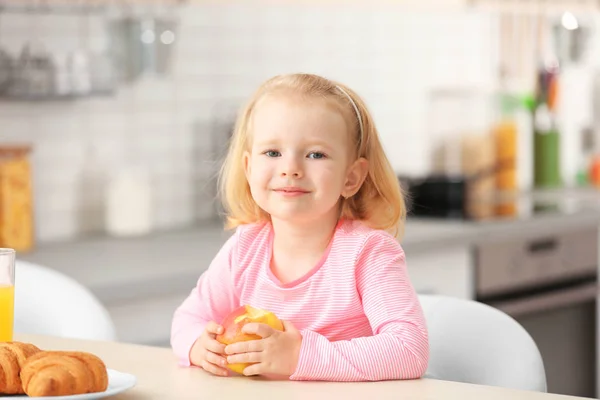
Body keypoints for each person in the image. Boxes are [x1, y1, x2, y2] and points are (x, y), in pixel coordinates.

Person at [170, 73, 429, 382]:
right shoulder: (245, 248)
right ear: (249, 168)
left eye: (315, 154)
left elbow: (408, 350)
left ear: (351, 178)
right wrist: (199, 344)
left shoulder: (368, 254)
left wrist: (300, 357)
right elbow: (188, 318)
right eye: (273, 152)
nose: (290, 168)